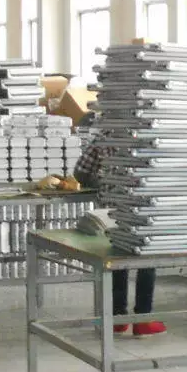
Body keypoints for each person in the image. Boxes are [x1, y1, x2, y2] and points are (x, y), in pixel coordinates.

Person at [72, 119, 163, 336]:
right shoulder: (152, 138)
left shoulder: (104, 138)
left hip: (111, 213)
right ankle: (143, 320)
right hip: (144, 209)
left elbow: (80, 173)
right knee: (147, 261)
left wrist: (104, 183)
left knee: (116, 260)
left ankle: (117, 318)